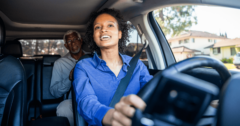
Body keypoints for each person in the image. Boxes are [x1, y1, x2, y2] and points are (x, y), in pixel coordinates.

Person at [73, 8, 152, 126]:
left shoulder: (137, 65)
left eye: (110, 25)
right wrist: (110, 116)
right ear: (94, 37)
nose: (103, 29)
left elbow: (153, 89)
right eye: (97, 27)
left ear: (120, 33)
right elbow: (86, 101)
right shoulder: (83, 67)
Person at [50, 30, 86, 126]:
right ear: (66, 46)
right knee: (63, 108)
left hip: (96, 96)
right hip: (74, 100)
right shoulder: (60, 63)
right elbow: (54, 92)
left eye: (75, 39)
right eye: (69, 41)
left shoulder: (93, 58)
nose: (73, 42)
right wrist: (69, 79)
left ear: (81, 41)